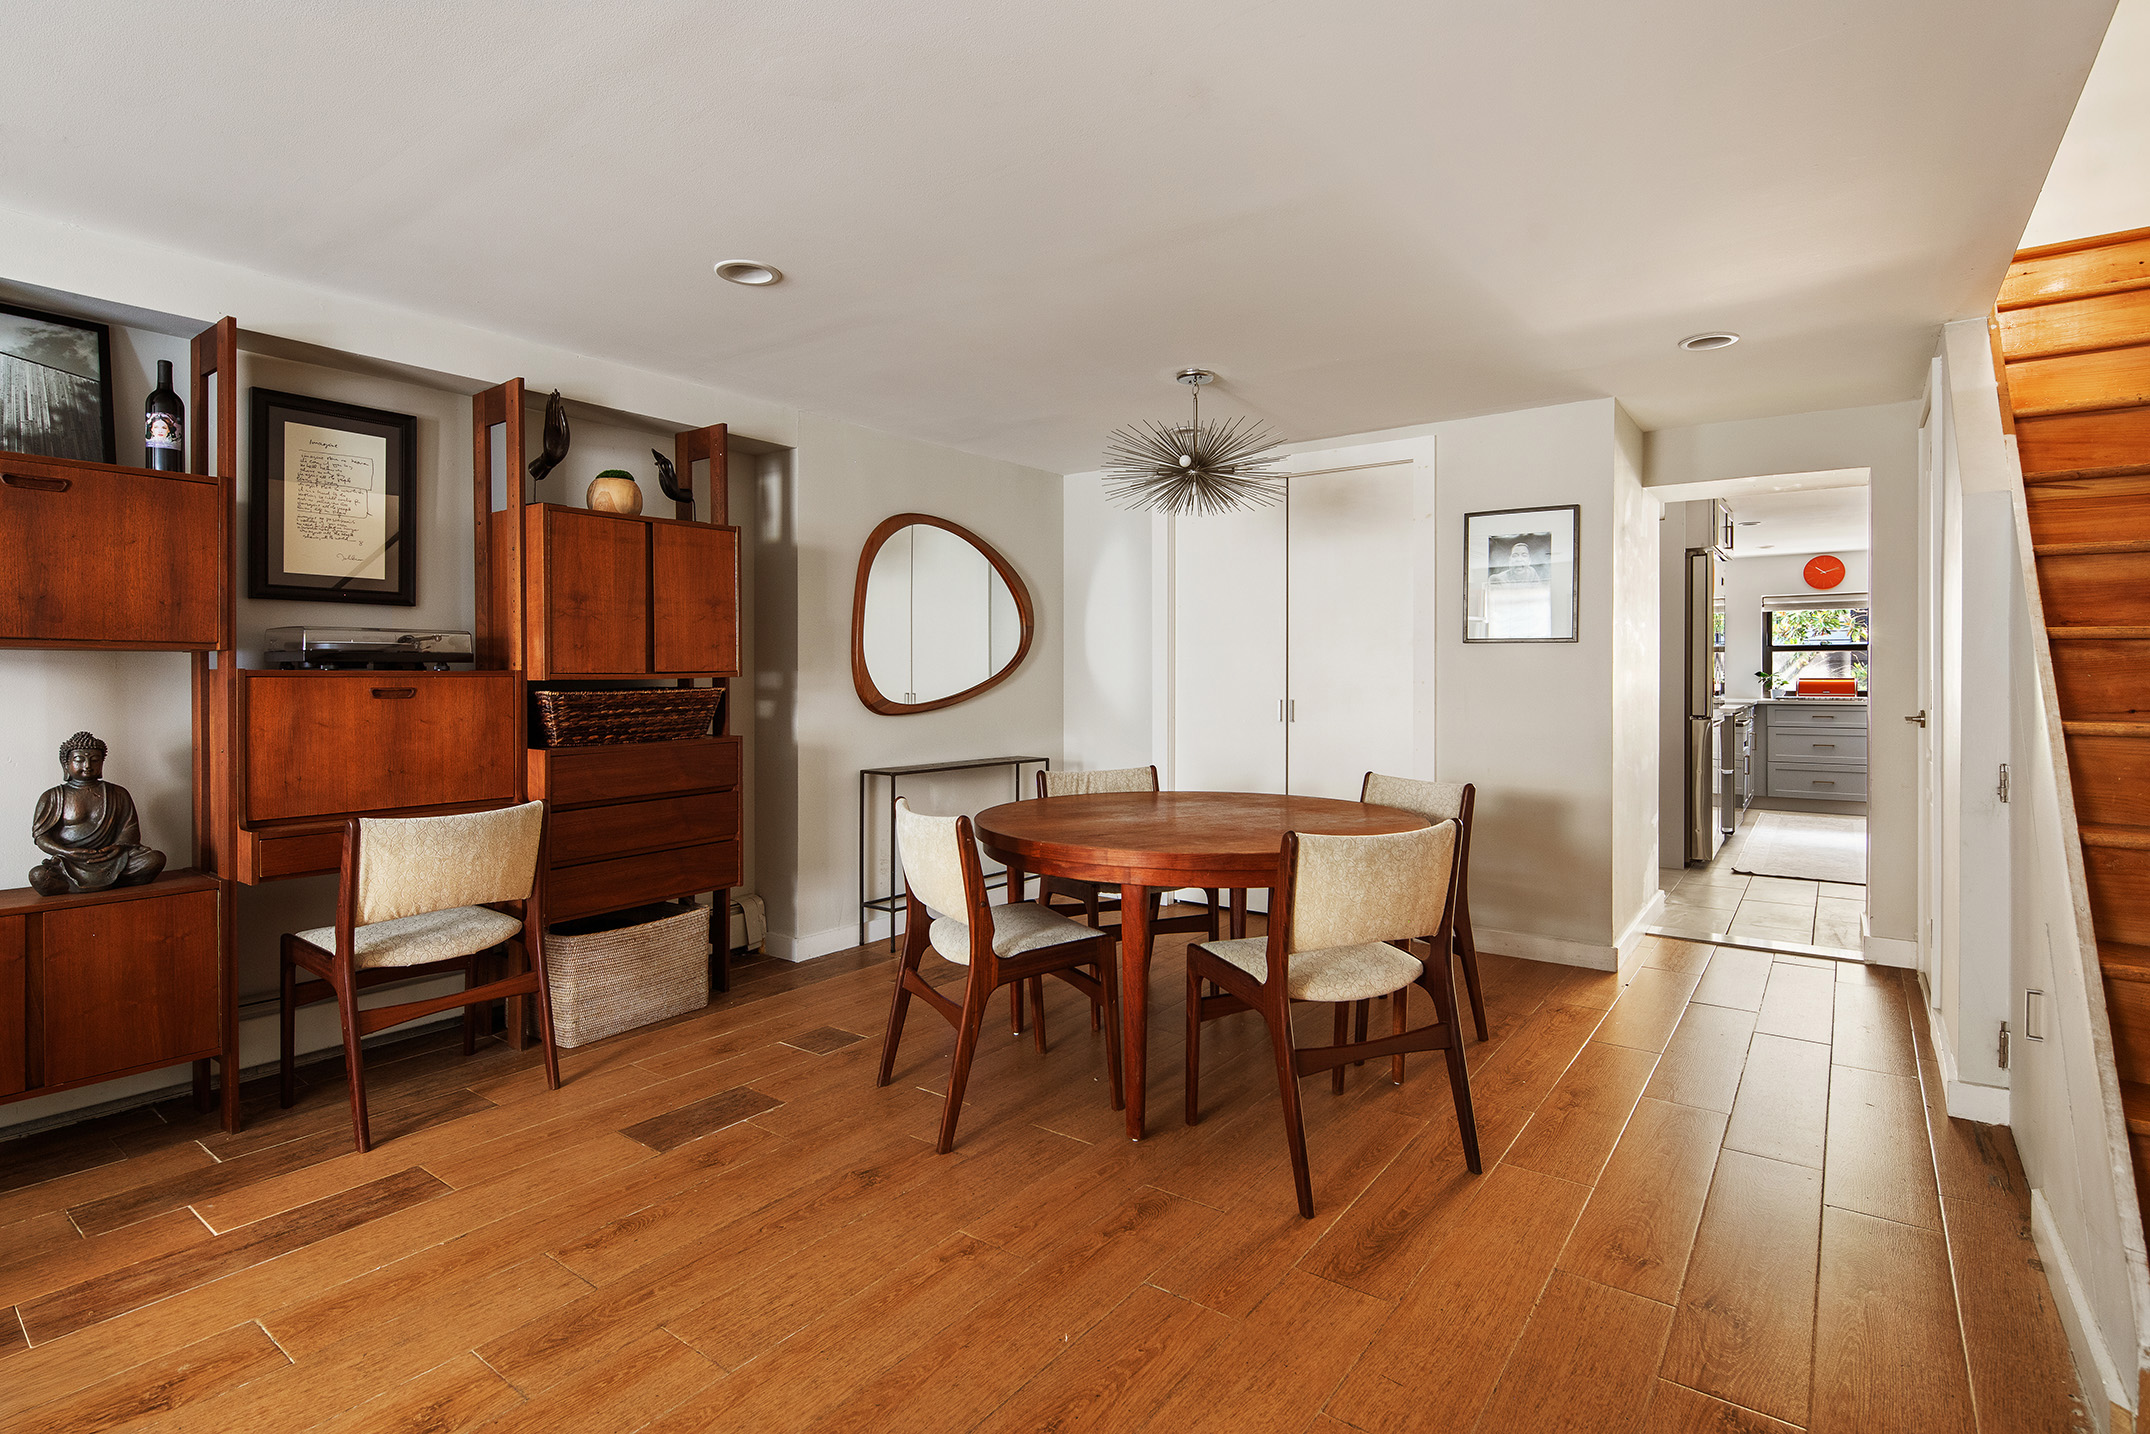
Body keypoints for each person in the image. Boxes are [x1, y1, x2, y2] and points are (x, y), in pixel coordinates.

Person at [28, 731, 165, 895]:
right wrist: (66, 852)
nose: (87, 765)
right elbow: (41, 837)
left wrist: (119, 846)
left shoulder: (118, 793)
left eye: (94, 760)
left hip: (112, 859)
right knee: (39, 876)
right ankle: (97, 883)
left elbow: (130, 829)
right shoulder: (53, 797)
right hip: (70, 861)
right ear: (66, 764)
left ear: (101, 763)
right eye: (79, 760)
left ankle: (107, 881)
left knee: (154, 859)